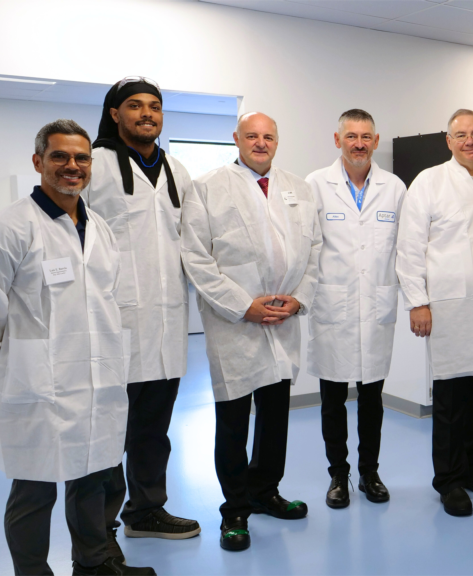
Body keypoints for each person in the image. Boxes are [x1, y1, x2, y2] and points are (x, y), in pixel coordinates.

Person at [0, 120, 155, 576]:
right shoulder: (14, 226)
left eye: (81, 158)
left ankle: (94, 564)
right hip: (39, 383)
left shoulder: (100, 228)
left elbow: (108, 300)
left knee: (95, 478)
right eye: (60, 157)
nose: (72, 166)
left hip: (98, 378)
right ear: (38, 162)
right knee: (34, 488)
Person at [181, 112, 322, 551]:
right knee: (234, 420)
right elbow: (196, 258)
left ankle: (265, 492)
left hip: (282, 317)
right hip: (235, 323)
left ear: (277, 142)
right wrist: (244, 305)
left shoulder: (298, 188)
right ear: (236, 139)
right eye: (252, 136)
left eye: (268, 137)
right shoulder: (207, 188)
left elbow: (315, 249)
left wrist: (300, 298)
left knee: (276, 415)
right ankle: (235, 509)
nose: (260, 143)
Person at [83, 77, 201, 557]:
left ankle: (146, 511)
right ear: (115, 113)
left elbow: (193, 243)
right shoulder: (94, 165)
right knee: (111, 430)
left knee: (154, 429)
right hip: (113, 324)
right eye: (135, 106)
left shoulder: (177, 169)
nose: (146, 114)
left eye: (154, 106)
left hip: (168, 323)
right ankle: (100, 531)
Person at [396, 109, 473, 517]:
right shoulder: (429, 182)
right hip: (450, 309)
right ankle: (448, 479)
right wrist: (418, 301)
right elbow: (410, 247)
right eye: (461, 134)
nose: (470, 141)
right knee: (452, 398)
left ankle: (472, 467)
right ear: (448, 141)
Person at [306, 109, 406, 508]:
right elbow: (307, 247)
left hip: (376, 307)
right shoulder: (315, 184)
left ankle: (369, 472)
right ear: (337, 140)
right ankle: (338, 475)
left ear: (376, 141)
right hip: (332, 307)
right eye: (351, 136)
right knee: (332, 400)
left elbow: (406, 248)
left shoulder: (395, 188)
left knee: (372, 400)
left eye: (366, 136)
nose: (359, 143)